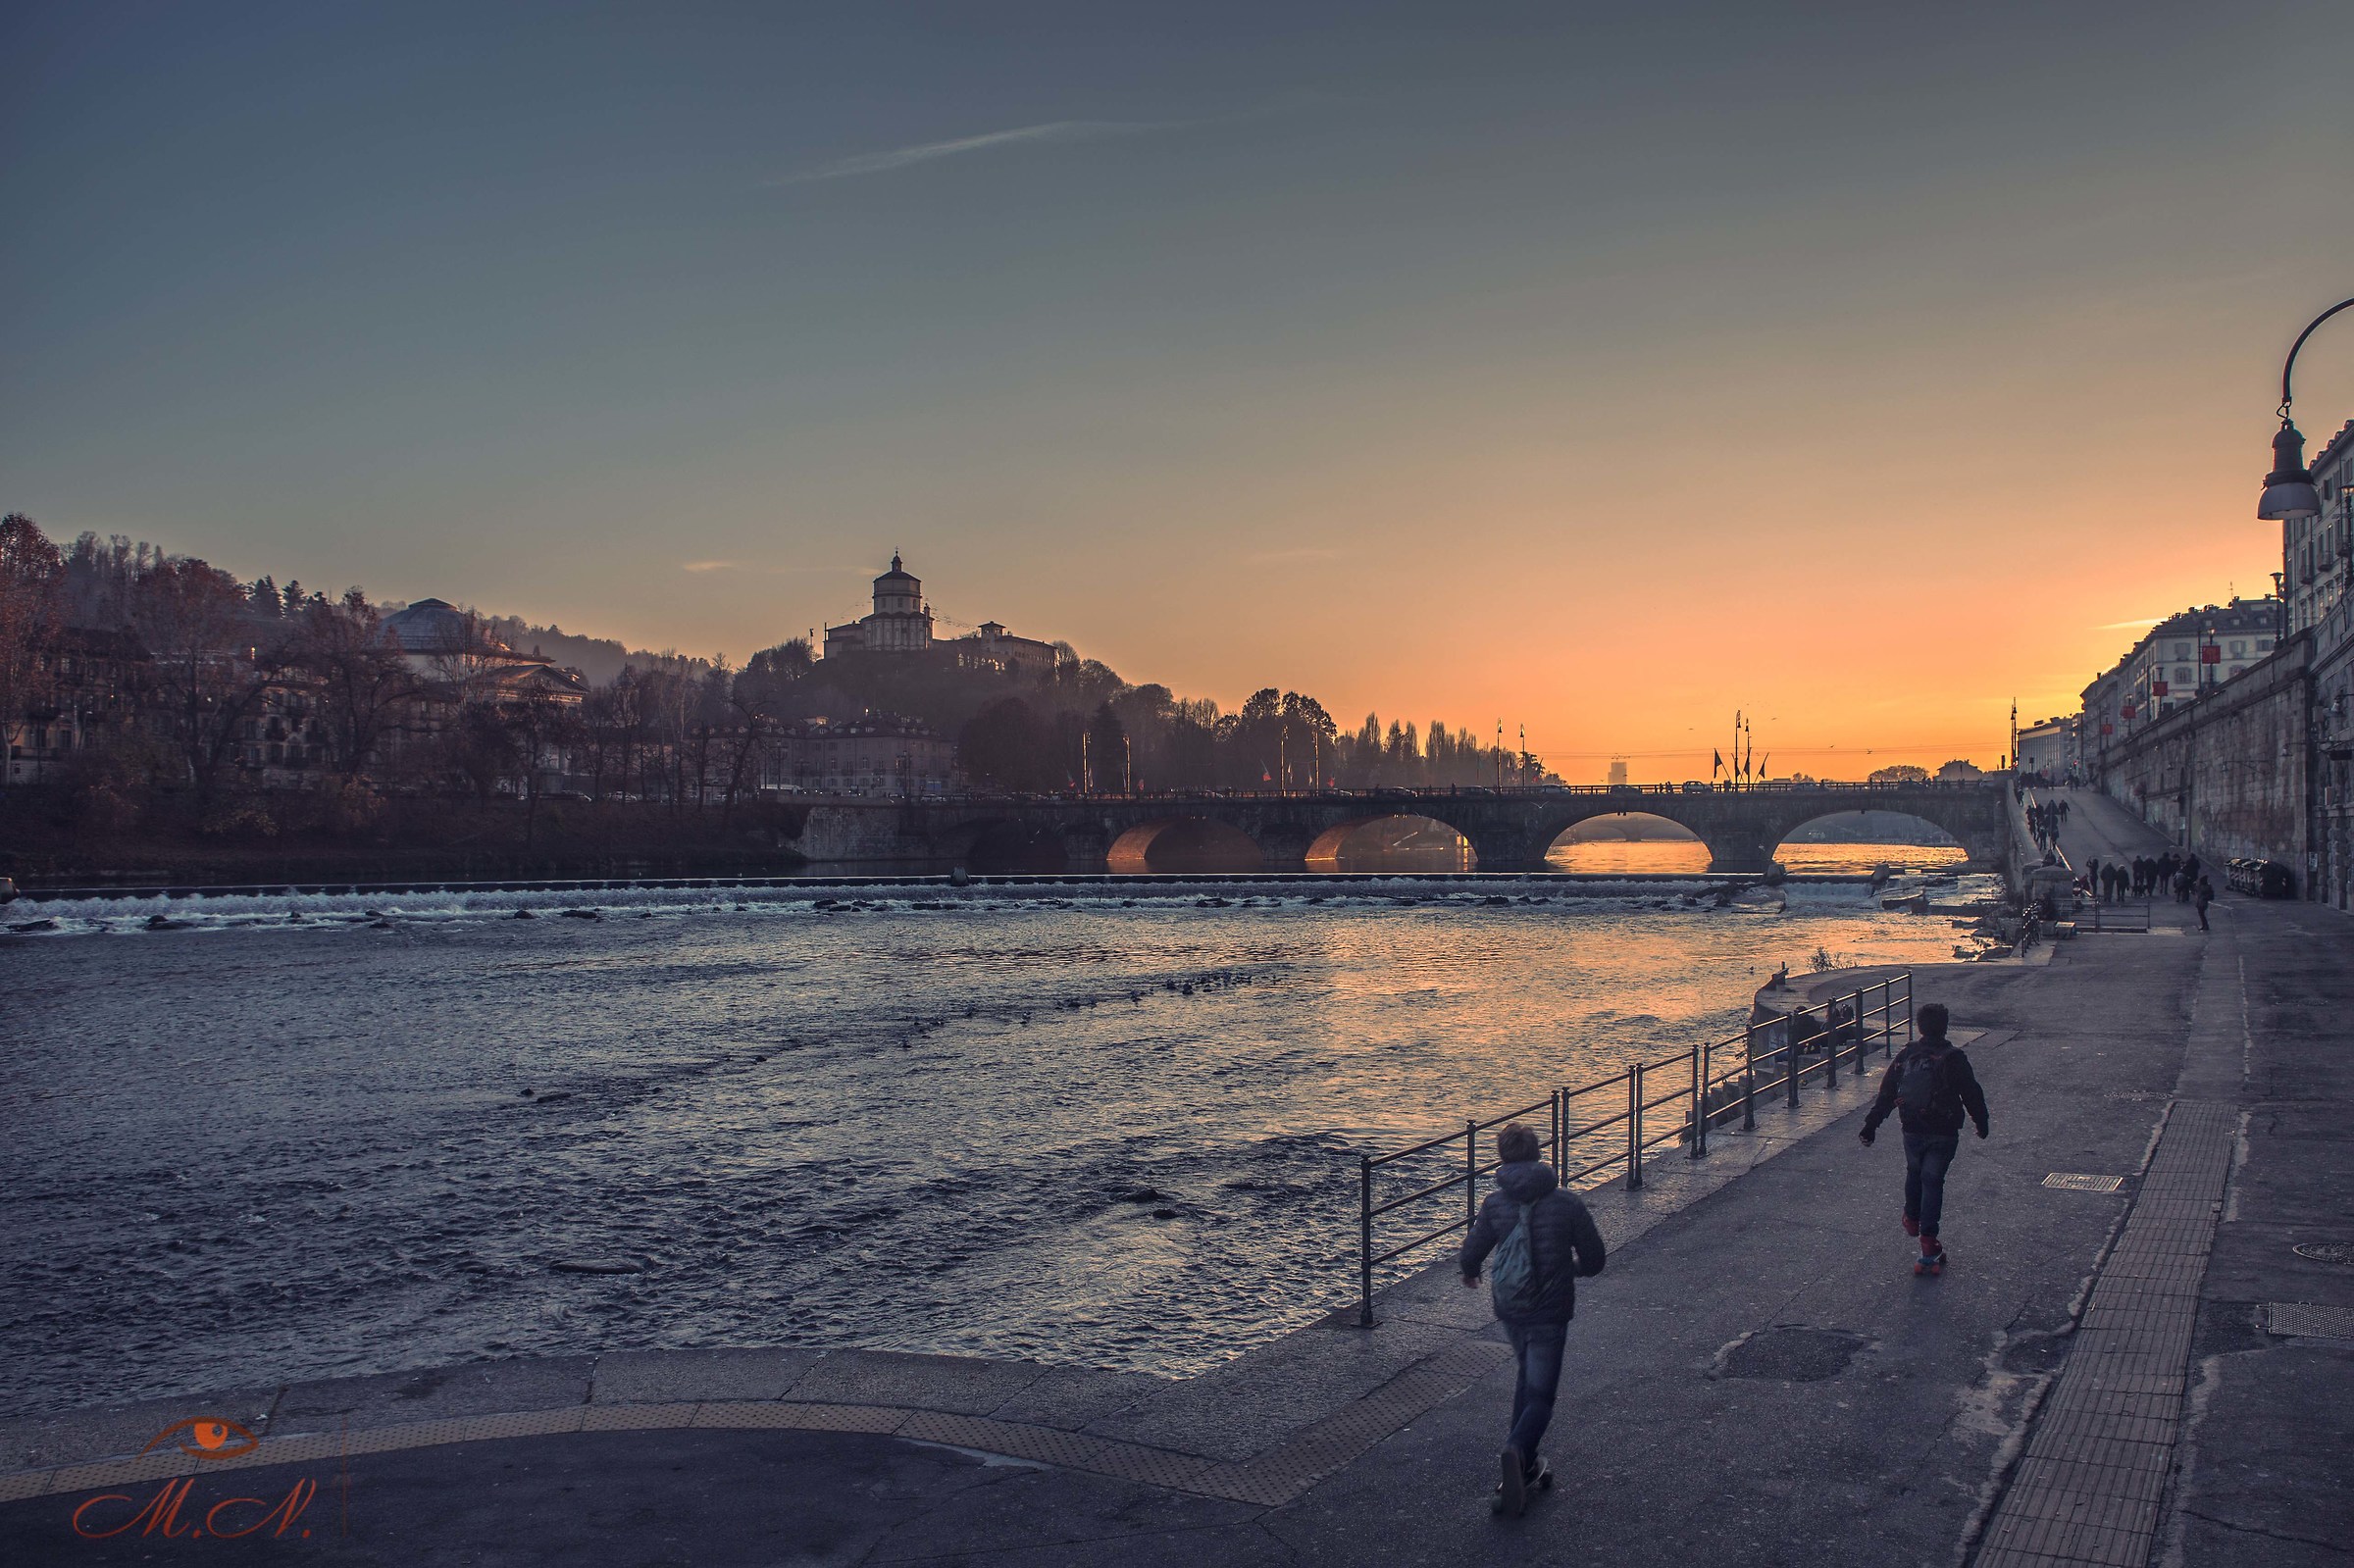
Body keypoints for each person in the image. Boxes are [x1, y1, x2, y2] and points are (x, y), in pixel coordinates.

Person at [1460, 1122, 1608, 1516]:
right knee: (1541, 1395)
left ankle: (1522, 1466)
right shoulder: (1567, 1203)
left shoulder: (1495, 1203)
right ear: (1538, 1153)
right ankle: (1517, 1449)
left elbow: (1472, 1250)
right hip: (1550, 1310)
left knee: (1527, 1377)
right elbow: (1595, 1259)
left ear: (1503, 1156)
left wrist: (1470, 1272)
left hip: (1511, 1307)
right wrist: (1571, 1269)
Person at [1859, 1004, 1990, 1276]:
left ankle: (1911, 1217)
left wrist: (1871, 1126)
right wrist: (1981, 1123)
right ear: (1945, 1027)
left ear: (1919, 1027)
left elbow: (1887, 1093)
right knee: (1933, 1181)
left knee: (1915, 1171)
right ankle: (1928, 1244)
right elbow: (1971, 1093)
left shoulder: (1908, 1054)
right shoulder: (1954, 1058)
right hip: (1944, 1131)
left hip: (1912, 1127)